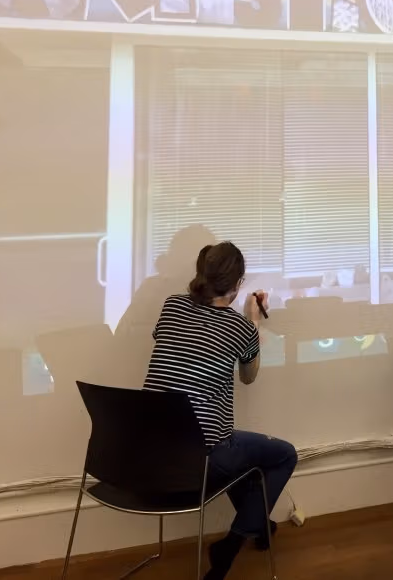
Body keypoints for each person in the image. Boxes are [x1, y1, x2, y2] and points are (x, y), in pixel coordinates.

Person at [143, 242, 298, 580]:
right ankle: (231, 544)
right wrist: (252, 320)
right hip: (204, 460)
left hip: (150, 455)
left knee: (235, 457)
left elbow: (172, 344)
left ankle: (259, 527)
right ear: (238, 284)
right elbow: (248, 376)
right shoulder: (239, 327)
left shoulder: (171, 306)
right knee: (283, 454)